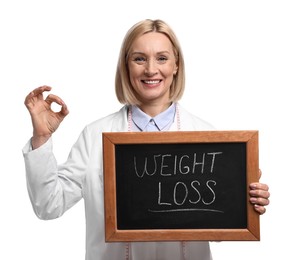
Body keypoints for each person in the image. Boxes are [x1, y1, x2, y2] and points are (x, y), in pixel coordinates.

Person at [23, 19, 270, 260]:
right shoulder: (95, 135)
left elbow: (216, 227)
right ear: (126, 65)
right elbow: (48, 206)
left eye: (162, 58)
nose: (151, 69)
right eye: (139, 58)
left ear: (176, 65)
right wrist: (41, 137)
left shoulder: (208, 137)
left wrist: (243, 202)